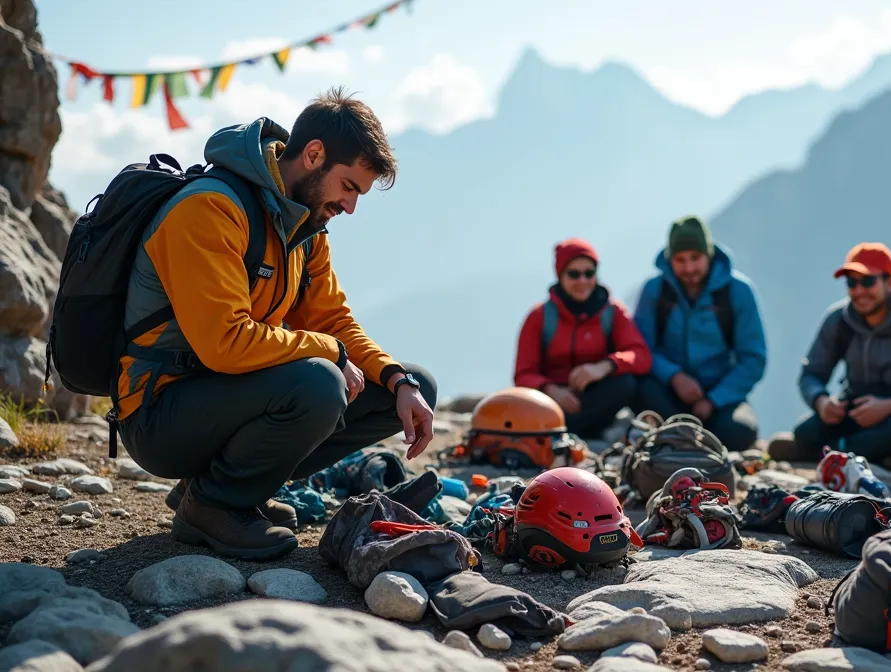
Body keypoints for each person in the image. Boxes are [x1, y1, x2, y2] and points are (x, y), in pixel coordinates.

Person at [116, 89, 438, 561]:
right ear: (313, 155)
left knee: (409, 388)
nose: (350, 206)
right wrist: (329, 353)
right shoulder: (210, 210)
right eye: (348, 186)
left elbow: (333, 321)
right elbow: (225, 342)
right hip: (158, 412)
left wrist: (397, 379)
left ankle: (221, 486)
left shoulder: (306, 229)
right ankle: (212, 504)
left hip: (222, 396)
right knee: (318, 382)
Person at [774, 242, 891, 471]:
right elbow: (811, 374)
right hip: (852, 413)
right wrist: (821, 401)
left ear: (890, 283)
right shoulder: (838, 320)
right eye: (852, 283)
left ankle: (826, 454)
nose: (859, 291)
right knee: (805, 432)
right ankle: (873, 458)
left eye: (868, 281)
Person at [632, 215, 768, 452]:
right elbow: (641, 348)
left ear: (709, 254)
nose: (689, 268)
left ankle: (686, 439)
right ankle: (686, 439)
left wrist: (714, 399)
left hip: (721, 396)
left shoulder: (738, 291)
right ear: (669, 259)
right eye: (680, 260)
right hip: (669, 392)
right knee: (638, 388)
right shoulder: (654, 291)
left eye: (695, 258)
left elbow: (753, 359)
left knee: (740, 431)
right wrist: (674, 376)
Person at [513, 237, 652, 439]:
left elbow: (640, 355)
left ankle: (560, 433)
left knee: (626, 383)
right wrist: (552, 390)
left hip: (595, 396)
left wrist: (605, 366)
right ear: (560, 275)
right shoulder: (539, 317)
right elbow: (523, 374)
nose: (583, 281)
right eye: (574, 274)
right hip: (552, 401)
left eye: (589, 273)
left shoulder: (612, 312)